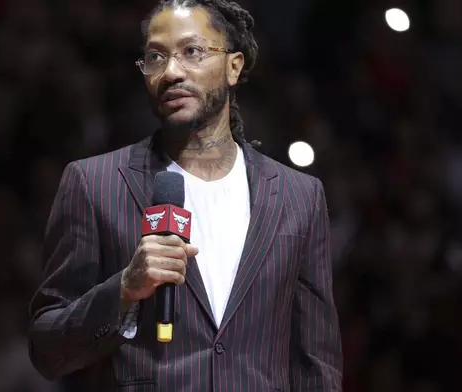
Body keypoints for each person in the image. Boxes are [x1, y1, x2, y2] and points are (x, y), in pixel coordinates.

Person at [27, 0, 343, 390]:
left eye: (192, 52)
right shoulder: (93, 184)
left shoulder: (299, 196)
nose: (171, 72)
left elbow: (317, 363)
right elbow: (47, 348)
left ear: (234, 66)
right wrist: (124, 289)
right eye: (155, 57)